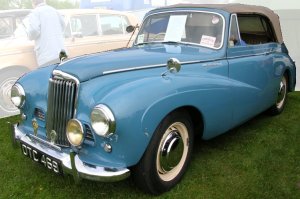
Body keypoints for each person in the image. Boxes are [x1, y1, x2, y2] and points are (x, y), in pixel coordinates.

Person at [25, 0, 65, 67]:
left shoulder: (35, 12)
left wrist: (29, 35)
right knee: (61, 75)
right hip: (61, 52)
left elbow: (34, 30)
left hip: (46, 56)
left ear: (33, 2)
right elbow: (63, 25)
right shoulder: (54, 10)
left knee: (48, 76)